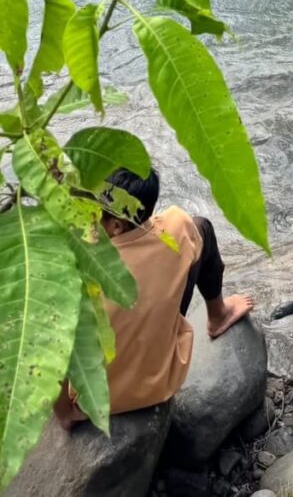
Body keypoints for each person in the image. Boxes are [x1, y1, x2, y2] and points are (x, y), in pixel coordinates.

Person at [55, 166, 254, 426]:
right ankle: (218, 315)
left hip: (97, 401)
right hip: (162, 381)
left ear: (115, 225)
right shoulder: (177, 227)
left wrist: (65, 414)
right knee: (202, 228)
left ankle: (68, 412)